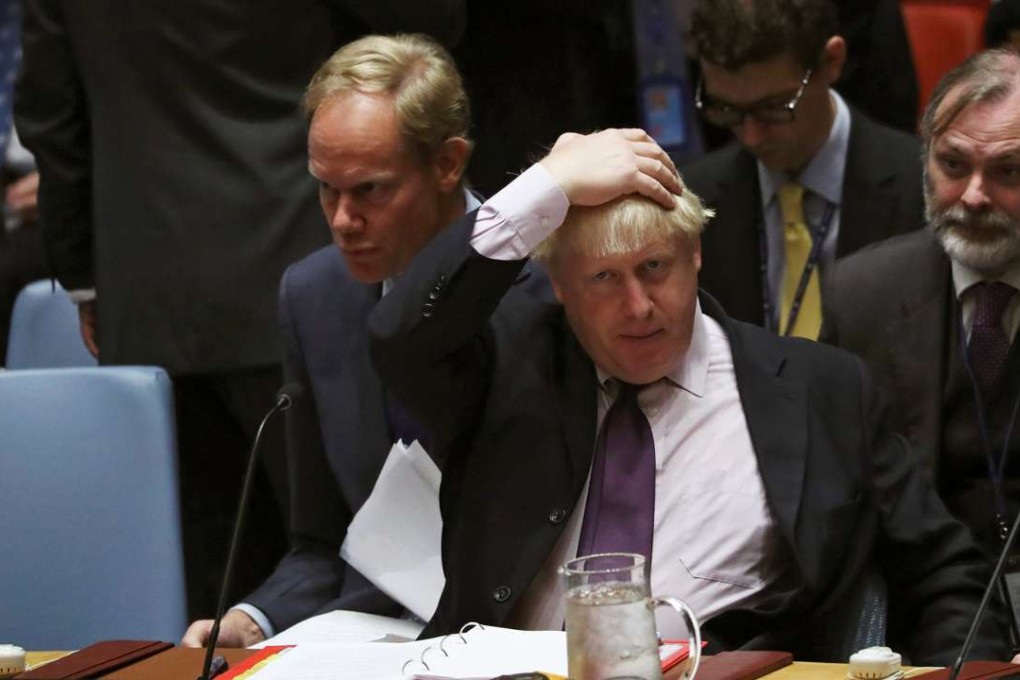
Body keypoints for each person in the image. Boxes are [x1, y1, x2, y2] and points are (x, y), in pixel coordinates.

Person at [368, 128, 1010, 663]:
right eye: (603, 278)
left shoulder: (820, 390)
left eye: (655, 267)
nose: (638, 307)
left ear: (694, 253)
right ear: (558, 284)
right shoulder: (506, 366)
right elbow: (399, 338)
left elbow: (941, 572)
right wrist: (547, 185)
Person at [14, 2, 465, 618]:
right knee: (239, 610)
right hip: (290, 244)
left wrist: (86, 278)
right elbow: (429, 16)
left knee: (221, 573)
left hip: (152, 276)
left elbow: (50, 108)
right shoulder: (319, 281)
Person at [181, 32, 490, 648]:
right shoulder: (314, 296)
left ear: (447, 164)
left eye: (370, 189)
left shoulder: (546, 281)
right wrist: (251, 619)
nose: (343, 220)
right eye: (327, 188)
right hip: (375, 641)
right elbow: (321, 546)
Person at [824, 49, 1020, 564]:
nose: (973, 196)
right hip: (926, 587)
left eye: (1008, 172)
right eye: (953, 164)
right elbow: (836, 487)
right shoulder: (862, 294)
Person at [680, 0, 924, 338]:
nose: (750, 137)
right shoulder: (694, 197)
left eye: (774, 107)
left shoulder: (922, 186)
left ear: (832, 61)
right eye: (726, 109)